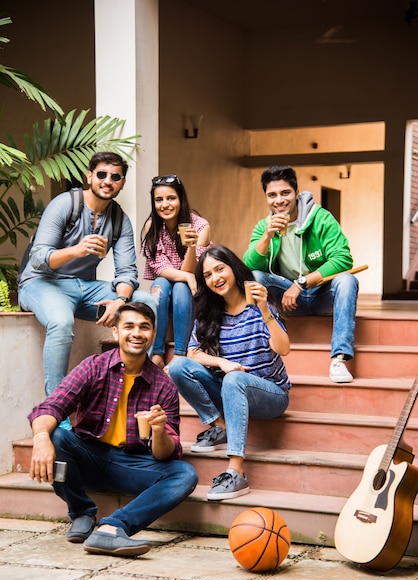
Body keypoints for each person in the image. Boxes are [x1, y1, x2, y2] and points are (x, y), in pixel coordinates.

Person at [28, 301, 198, 558]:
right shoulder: (93, 367)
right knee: (57, 436)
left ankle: (112, 527)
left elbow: (165, 455)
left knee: (185, 474)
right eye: (129, 326)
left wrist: (160, 431)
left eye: (144, 327)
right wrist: (40, 438)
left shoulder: (163, 385)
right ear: (116, 332)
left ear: (153, 334)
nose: (137, 333)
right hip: (89, 456)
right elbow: (51, 406)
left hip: (133, 464)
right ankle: (81, 511)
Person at [18, 151, 157, 404]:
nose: (107, 181)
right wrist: (77, 250)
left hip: (86, 289)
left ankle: (136, 383)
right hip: (42, 282)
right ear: (89, 176)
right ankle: (56, 408)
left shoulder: (119, 219)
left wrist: (120, 301)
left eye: (115, 177)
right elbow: (38, 257)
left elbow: (126, 271)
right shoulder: (65, 204)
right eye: (101, 174)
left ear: (122, 183)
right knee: (61, 323)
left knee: (145, 302)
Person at [168, 246, 291, 501]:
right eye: (209, 275)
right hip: (231, 388)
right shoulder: (210, 313)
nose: (216, 278)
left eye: (220, 269)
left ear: (233, 268)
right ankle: (219, 426)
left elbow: (284, 348)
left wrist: (265, 310)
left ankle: (236, 471)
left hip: (270, 395)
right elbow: (192, 353)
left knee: (234, 380)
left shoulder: (260, 305)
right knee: (179, 366)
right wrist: (221, 362)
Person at [243, 165, 359, 384]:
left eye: (285, 193)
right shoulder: (264, 226)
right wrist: (266, 237)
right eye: (272, 195)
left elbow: (343, 259)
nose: (279, 200)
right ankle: (257, 352)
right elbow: (249, 265)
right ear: (266, 198)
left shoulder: (321, 218)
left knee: (347, 280)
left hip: (319, 294)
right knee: (255, 278)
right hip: (286, 300)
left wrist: (301, 283)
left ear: (296, 192)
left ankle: (339, 359)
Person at [141, 174, 212, 369]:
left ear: (181, 199)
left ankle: (180, 353)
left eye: (171, 198)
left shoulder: (200, 226)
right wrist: (186, 276)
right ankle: (157, 352)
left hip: (191, 295)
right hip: (164, 295)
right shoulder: (152, 226)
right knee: (160, 284)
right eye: (159, 200)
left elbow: (192, 271)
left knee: (180, 286)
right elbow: (160, 269)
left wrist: (190, 246)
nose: (165, 204)